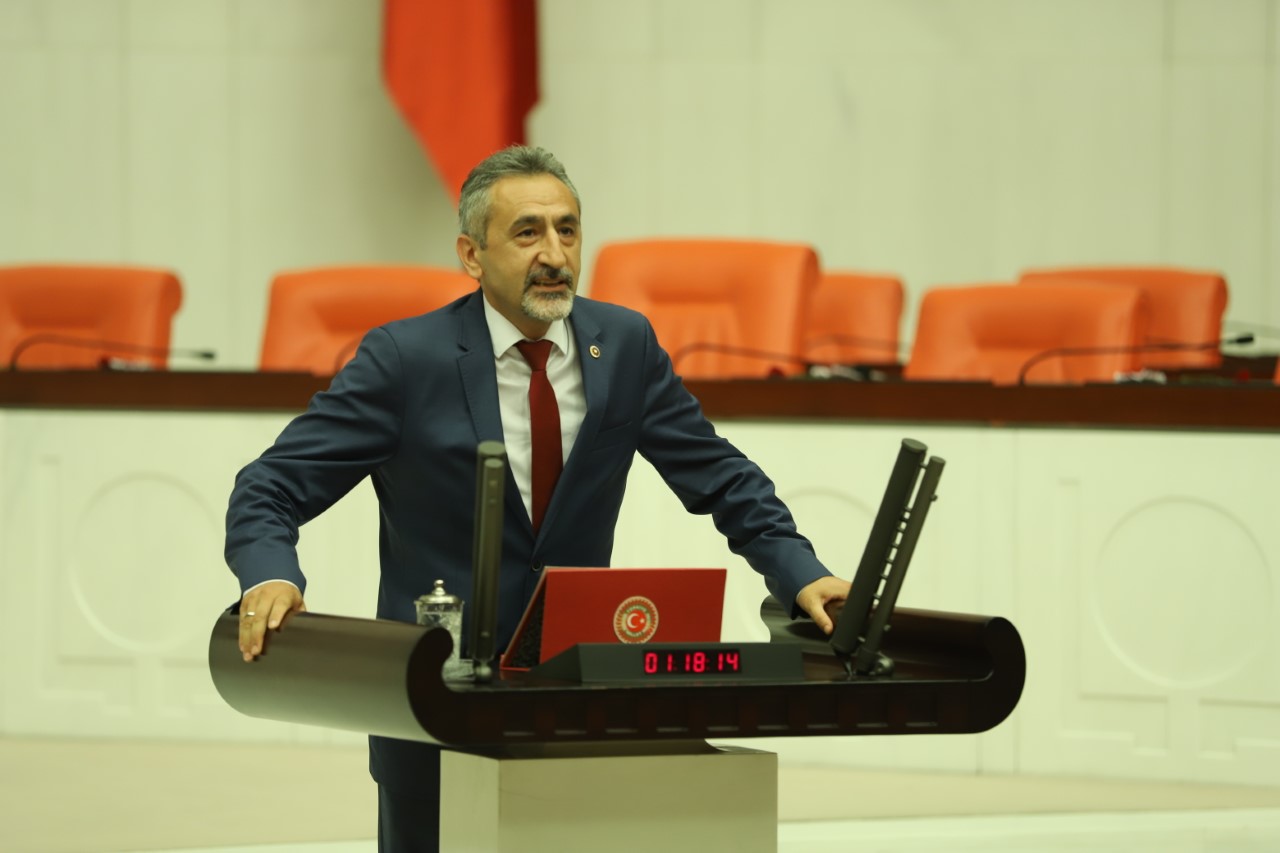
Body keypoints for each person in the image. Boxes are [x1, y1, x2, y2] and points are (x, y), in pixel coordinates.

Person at [224, 145, 851, 852]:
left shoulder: (624, 345)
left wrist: (801, 572)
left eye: (567, 229)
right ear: (472, 254)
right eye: (527, 232)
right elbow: (271, 485)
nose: (554, 254)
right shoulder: (406, 359)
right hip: (434, 701)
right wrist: (270, 575)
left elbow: (722, 477)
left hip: (576, 700)